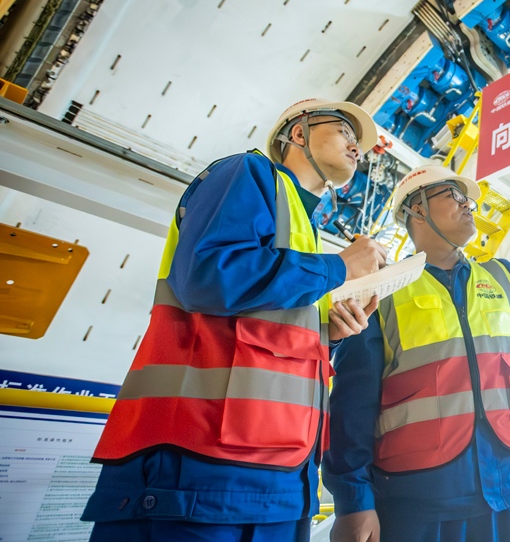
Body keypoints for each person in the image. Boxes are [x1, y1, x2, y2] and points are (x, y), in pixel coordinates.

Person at [81, 99, 388, 541]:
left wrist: (330, 334)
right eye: (344, 129)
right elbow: (207, 276)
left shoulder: (304, 229)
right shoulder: (248, 174)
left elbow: (268, 337)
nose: (356, 146)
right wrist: (338, 268)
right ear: (298, 133)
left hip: (280, 475)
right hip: (198, 466)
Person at [324, 144, 510, 542]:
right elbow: (352, 407)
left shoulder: (506, 279)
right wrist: (354, 502)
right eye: (452, 194)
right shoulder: (382, 295)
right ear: (416, 210)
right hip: (419, 502)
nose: (468, 204)